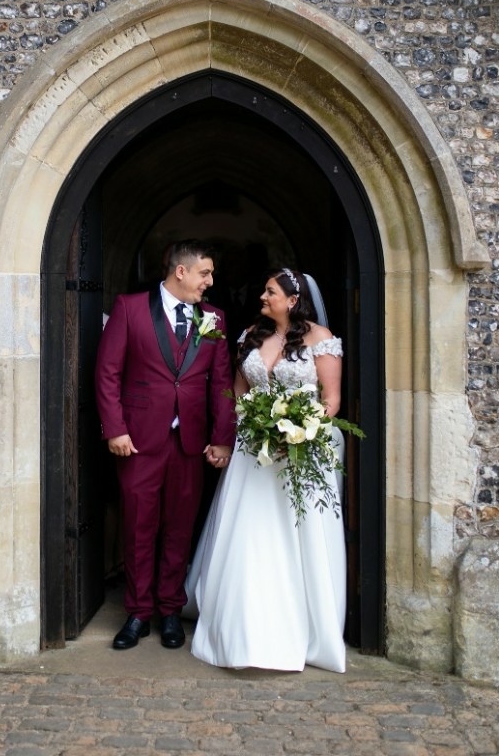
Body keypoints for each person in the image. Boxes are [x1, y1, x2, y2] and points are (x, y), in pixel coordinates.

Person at [184, 267, 347, 672]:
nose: (262, 296)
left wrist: (298, 431)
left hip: (302, 451)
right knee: (248, 531)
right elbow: (239, 393)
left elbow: (331, 401)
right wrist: (254, 425)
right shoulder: (251, 337)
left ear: (292, 300)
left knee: (297, 535)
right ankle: (239, 626)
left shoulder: (321, 340)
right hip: (253, 450)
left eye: (269, 291)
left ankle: (303, 627)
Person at [95, 239, 236, 651]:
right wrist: (115, 430)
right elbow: (107, 373)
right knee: (138, 527)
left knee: (179, 529)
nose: (209, 283)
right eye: (204, 273)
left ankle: (171, 611)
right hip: (137, 441)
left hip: (190, 443)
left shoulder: (214, 318)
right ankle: (138, 613)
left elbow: (222, 384)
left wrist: (221, 439)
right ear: (181, 271)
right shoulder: (129, 308)